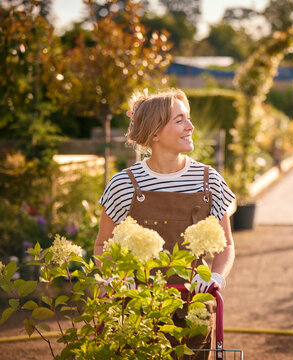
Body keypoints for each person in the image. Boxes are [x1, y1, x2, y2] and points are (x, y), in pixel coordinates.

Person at [94, 88, 236, 359]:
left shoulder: (209, 181)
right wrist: (118, 279)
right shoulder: (124, 184)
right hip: (138, 307)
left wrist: (216, 277)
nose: (191, 127)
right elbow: (102, 245)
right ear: (155, 133)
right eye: (180, 120)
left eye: (189, 118)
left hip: (193, 305)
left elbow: (226, 245)